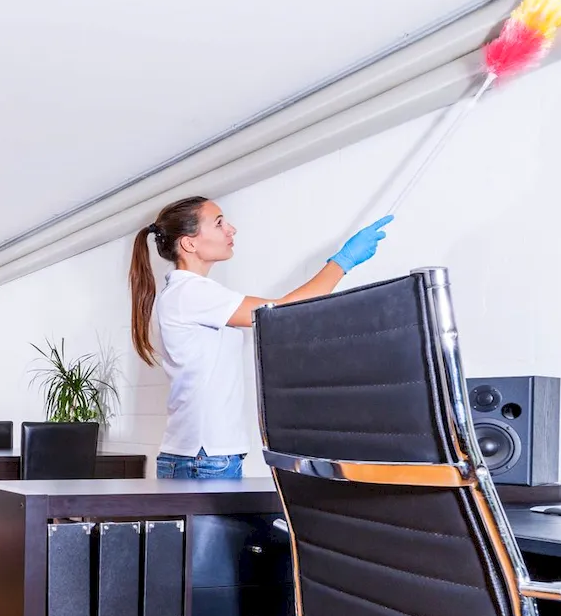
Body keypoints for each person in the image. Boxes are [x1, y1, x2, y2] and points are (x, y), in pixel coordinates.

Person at [129, 196, 393, 480]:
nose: (231, 229)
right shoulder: (191, 292)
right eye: (219, 223)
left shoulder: (190, 292)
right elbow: (283, 312)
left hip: (201, 454)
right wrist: (343, 261)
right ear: (189, 243)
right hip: (204, 457)